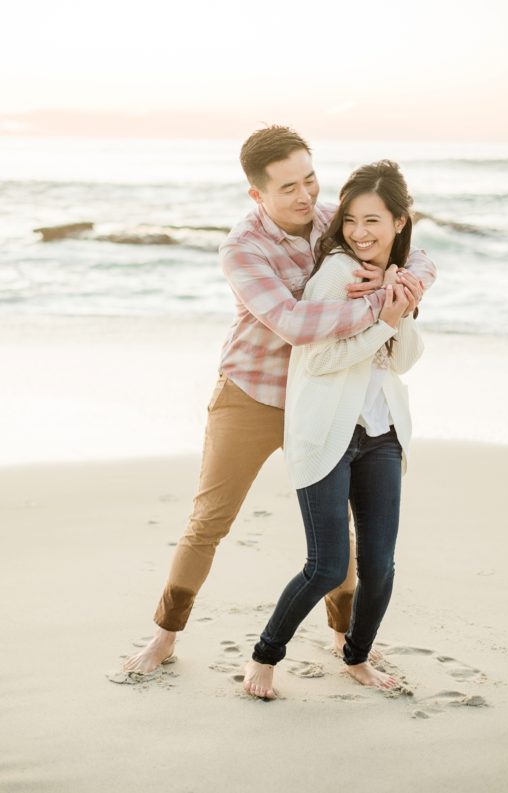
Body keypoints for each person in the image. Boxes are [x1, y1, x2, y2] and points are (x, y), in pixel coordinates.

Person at [123, 130, 436, 675]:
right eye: (288, 186)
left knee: (337, 532)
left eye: (310, 179)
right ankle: (165, 634)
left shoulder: (332, 217)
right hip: (253, 395)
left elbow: (416, 251)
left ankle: (342, 637)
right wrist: (379, 310)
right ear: (257, 194)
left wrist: (400, 279)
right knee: (210, 520)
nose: (306, 196)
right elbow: (293, 323)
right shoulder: (242, 247)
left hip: (323, 398)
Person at [243, 160, 425, 699]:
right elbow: (318, 361)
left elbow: (403, 361)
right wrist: (384, 323)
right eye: (350, 220)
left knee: (381, 566)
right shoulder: (336, 274)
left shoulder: (393, 273)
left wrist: (404, 309)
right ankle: (264, 657)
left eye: (373, 221)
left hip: (381, 433)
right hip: (327, 432)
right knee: (325, 567)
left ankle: (357, 657)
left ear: (399, 222)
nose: (359, 232)